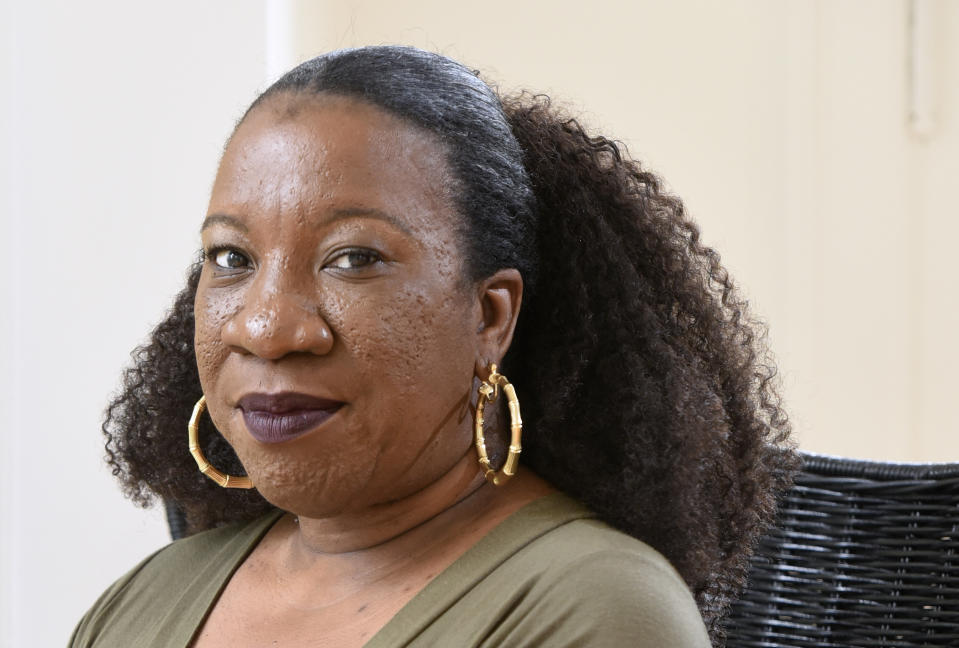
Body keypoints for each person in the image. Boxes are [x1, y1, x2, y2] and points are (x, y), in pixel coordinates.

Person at [71, 46, 796, 647]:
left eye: (352, 257)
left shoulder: (594, 612)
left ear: (488, 315)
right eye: (231, 258)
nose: (265, 328)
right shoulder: (144, 603)